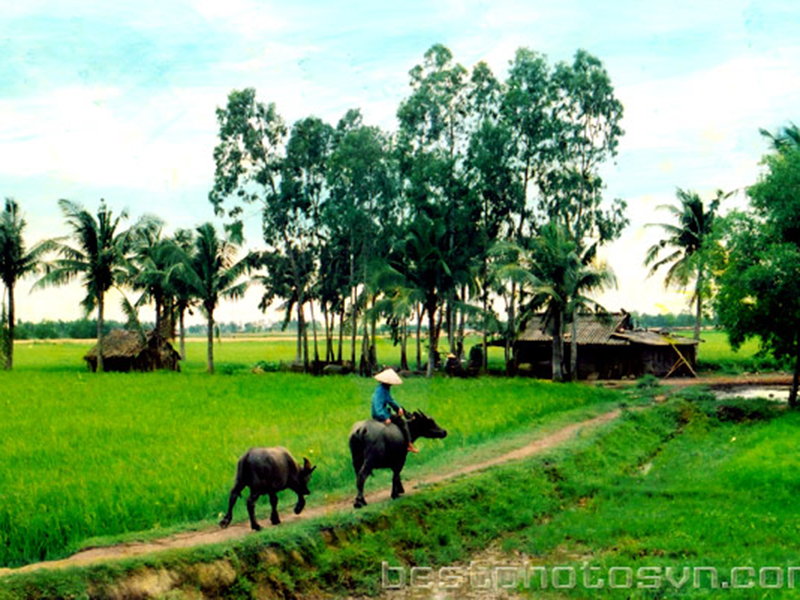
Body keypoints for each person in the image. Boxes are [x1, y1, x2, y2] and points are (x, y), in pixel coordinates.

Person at [371, 368, 418, 453]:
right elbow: (377, 406)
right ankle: (408, 444)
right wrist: (385, 417)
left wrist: (398, 408)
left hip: (381, 413)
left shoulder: (383, 389)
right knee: (402, 422)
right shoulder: (381, 391)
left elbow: (390, 401)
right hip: (380, 414)